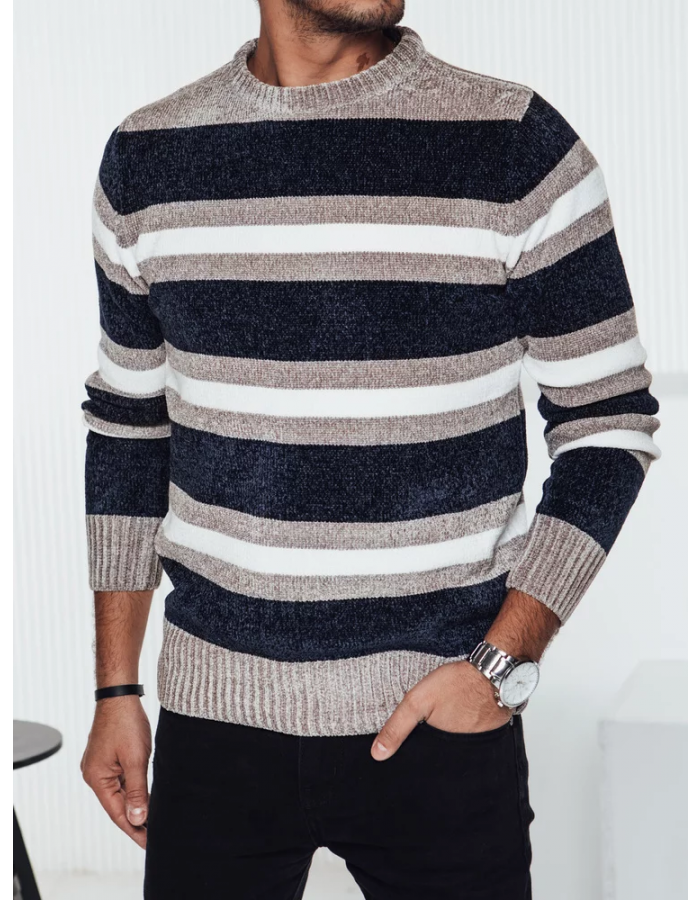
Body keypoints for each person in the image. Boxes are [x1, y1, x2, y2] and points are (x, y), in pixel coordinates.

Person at [79, 1, 661, 897]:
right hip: (213, 723)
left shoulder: (514, 144)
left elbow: (608, 420)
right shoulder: (148, 157)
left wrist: (500, 664)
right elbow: (129, 428)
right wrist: (116, 692)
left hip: (439, 719)